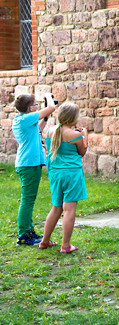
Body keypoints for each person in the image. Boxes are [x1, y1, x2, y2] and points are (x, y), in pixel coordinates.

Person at [39, 102, 88, 253]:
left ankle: (44, 241)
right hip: (71, 174)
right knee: (69, 210)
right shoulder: (76, 135)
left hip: (55, 174)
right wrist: (85, 136)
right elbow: (82, 152)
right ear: (74, 118)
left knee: (56, 208)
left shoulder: (48, 132)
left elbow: (50, 150)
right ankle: (65, 245)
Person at [12, 93, 56, 246]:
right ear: (30, 107)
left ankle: (29, 231)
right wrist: (48, 97)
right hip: (28, 165)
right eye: (36, 104)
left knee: (29, 199)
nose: (37, 106)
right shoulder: (25, 119)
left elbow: (38, 129)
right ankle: (23, 234)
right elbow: (51, 107)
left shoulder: (23, 120)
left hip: (29, 164)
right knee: (27, 200)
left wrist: (45, 116)